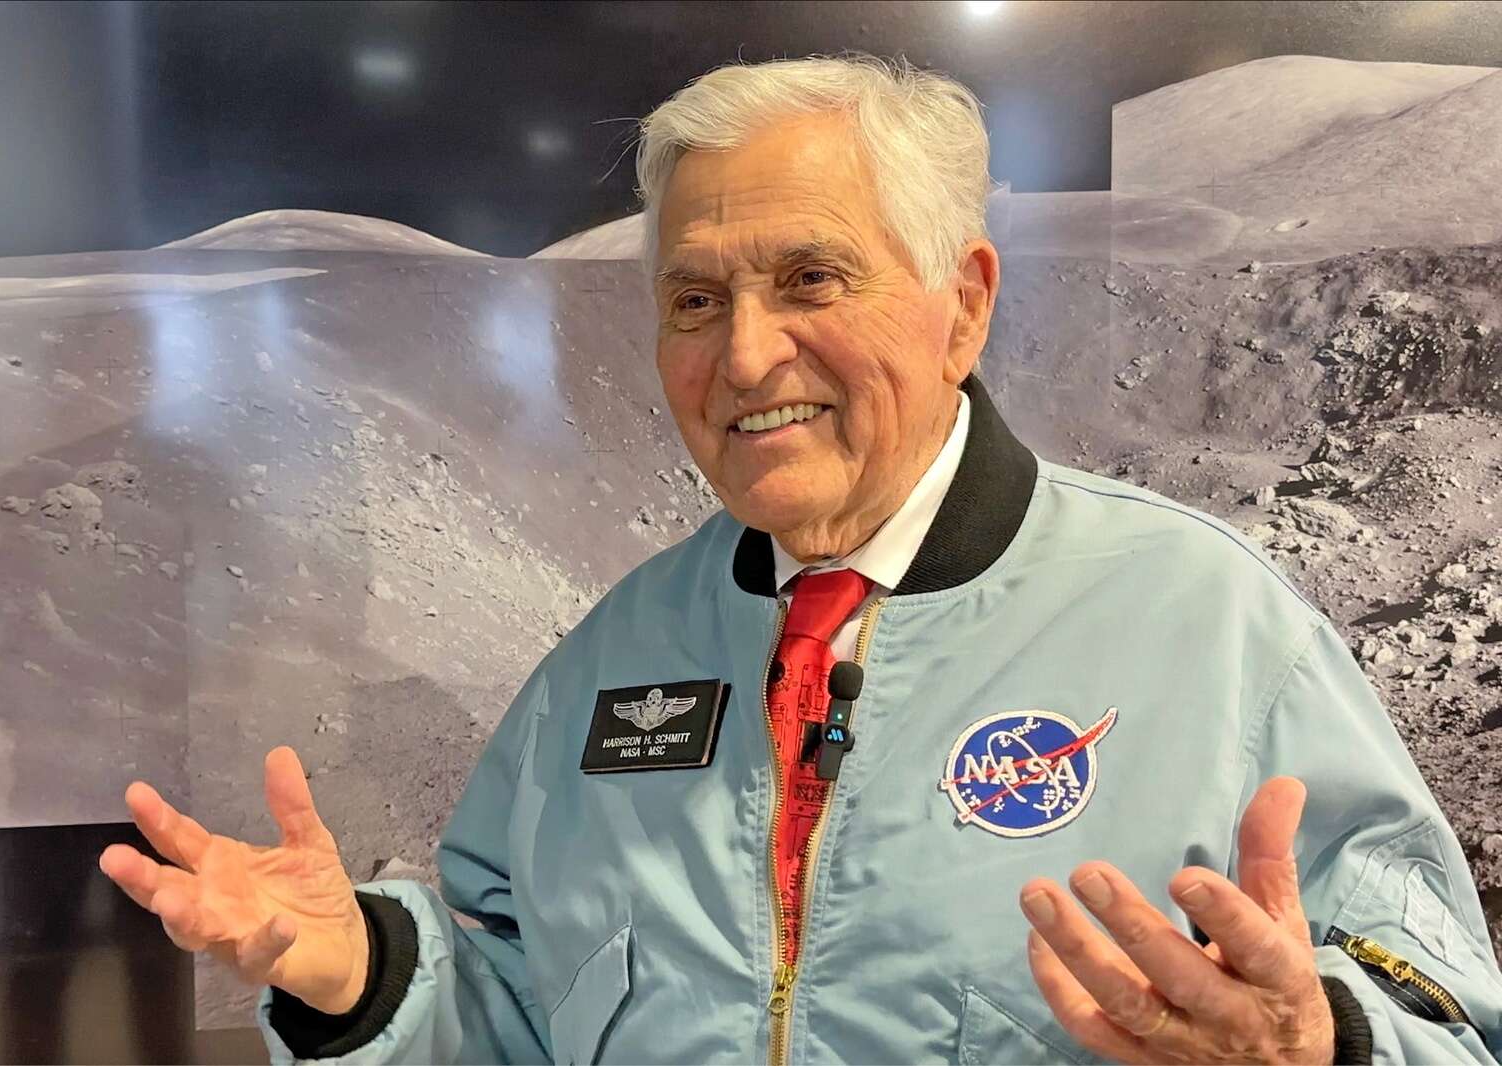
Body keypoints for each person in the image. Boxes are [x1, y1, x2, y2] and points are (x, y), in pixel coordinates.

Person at [100, 53, 1502, 1065]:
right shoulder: (613, 658)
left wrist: (1326, 1043)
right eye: (694, 300)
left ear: (962, 304)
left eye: (810, 279)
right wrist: (365, 976)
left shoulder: (1206, 622)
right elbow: (513, 1001)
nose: (745, 354)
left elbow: (1449, 1011)